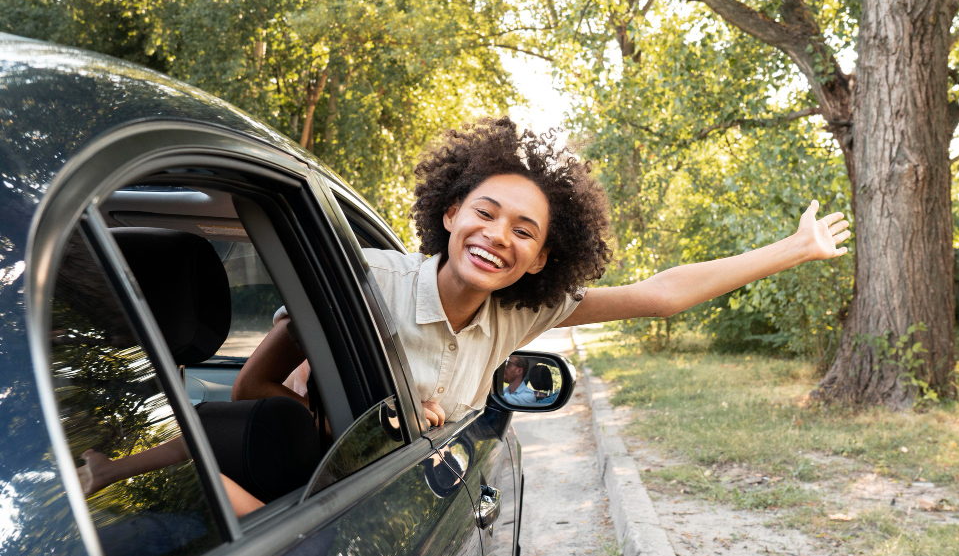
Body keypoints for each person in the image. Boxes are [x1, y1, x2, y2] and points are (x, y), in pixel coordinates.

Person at [239, 116, 849, 430]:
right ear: (450, 214)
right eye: (484, 212)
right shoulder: (367, 277)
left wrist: (793, 249)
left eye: (524, 231)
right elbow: (249, 393)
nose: (498, 236)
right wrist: (354, 428)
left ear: (542, 259)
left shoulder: (520, 314)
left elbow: (660, 294)